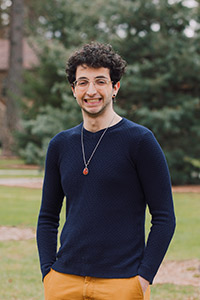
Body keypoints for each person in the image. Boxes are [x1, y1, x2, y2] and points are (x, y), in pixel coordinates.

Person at [37, 42, 176, 300]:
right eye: (83, 82)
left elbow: (164, 217)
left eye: (100, 81)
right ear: (73, 90)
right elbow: (47, 216)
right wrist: (49, 274)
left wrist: (143, 278)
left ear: (115, 88)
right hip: (64, 282)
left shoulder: (140, 141)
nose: (91, 91)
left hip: (122, 284)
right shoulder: (60, 145)